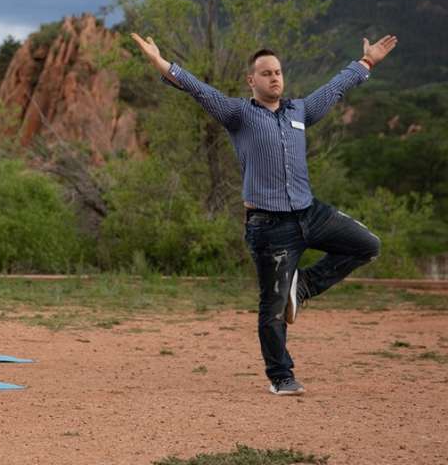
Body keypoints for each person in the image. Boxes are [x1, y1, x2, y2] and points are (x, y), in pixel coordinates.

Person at [130, 31, 398, 395]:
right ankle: (281, 377)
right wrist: (159, 61)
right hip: (269, 227)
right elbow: (197, 89)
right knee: (272, 308)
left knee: (367, 245)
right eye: (266, 73)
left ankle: (302, 286)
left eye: (278, 72)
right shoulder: (238, 114)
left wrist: (366, 63)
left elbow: (334, 88)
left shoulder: (299, 110)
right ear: (251, 80)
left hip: (310, 213)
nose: (275, 77)